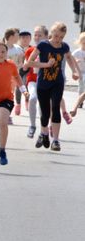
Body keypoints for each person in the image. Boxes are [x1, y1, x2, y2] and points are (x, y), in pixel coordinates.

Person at [25, 22, 80, 151]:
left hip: (57, 82)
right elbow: (30, 63)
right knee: (45, 112)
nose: (58, 40)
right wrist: (46, 65)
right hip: (43, 83)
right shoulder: (43, 45)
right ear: (51, 34)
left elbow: (69, 58)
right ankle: (43, 133)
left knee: (55, 108)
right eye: (56, 36)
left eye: (61, 37)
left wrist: (74, 71)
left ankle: (56, 140)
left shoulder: (64, 47)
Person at [0, 41, 27, 172]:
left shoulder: (11, 65)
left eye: (3, 52)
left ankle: (2, 150)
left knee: (3, 122)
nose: (0, 54)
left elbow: (18, 77)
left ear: (6, 53)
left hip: (6, 98)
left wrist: (23, 90)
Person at [23, 25, 48, 138]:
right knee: (33, 98)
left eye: (40, 35)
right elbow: (25, 66)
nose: (37, 37)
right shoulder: (30, 50)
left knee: (45, 106)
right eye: (35, 35)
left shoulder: (50, 50)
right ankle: (32, 126)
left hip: (46, 80)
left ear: (46, 36)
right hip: (33, 80)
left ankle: (45, 128)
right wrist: (25, 64)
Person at [72, 32, 85, 99]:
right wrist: (76, 61)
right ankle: (80, 99)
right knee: (81, 86)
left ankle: (82, 98)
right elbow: (71, 59)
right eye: (84, 43)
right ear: (80, 43)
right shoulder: (77, 51)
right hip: (80, 72)